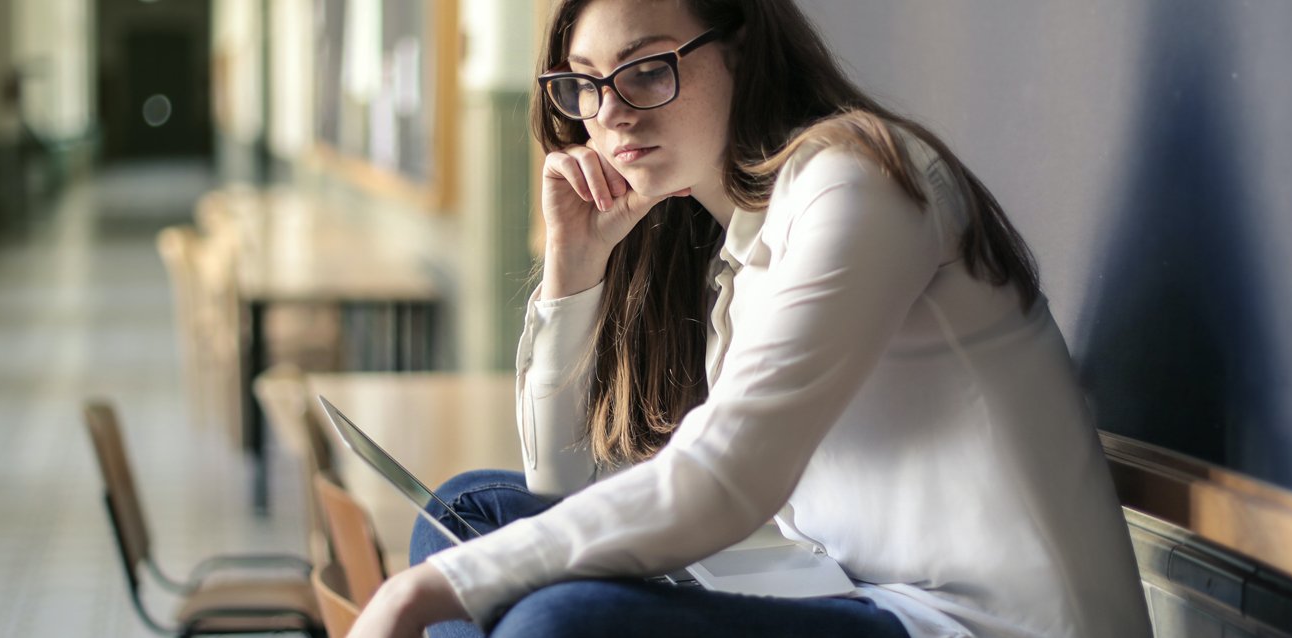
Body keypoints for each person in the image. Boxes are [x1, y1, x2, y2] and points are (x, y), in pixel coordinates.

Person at [350, 1, 1153, 636]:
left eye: (647, 70)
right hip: (845, 589)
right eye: (587, 83)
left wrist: (427, 592)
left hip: (980, 624)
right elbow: (563, 483)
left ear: (740, 49)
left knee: (552, 618)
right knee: (469, 518)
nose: (612, 114)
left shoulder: (858, 182)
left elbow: (729, 476)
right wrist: (575, 267)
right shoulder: (727, 233)